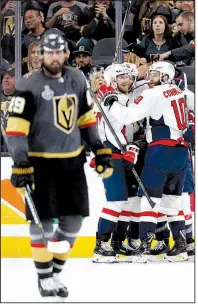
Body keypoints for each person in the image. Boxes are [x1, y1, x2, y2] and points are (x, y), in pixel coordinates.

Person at [5, 30, 113, 300]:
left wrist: (98, 149)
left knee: (73, 225)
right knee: (42, 224)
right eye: (48, 52)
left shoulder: (77, 78)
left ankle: (54, 271)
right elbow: (16, 129)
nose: (54, 57)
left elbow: (86, 118)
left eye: (58, 52)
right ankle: (45, 278)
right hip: (40, 165)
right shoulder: (28, 84)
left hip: (72, 163)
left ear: (66, 53)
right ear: (41, 55)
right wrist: (20, 162)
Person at [103, 61, 194, 262]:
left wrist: (112, 102)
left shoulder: (153, 93)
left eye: (154, 74)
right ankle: (180, 246)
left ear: (165, 76)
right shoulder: (180, 92)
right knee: (171, 201)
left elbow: (128, 116)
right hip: (180, 153)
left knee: (148, 200)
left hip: (160, 151)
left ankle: (144, 245)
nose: (149, 77)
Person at [92, 63, 149, 263]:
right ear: (113, 80)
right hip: (112, 154)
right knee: (115, 201)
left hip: (119, 153)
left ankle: (116, 242)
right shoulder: (113, 100)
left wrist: (131, 146)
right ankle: (101, 246)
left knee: (127, 201)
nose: (126, 80)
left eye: (129, 77)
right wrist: (126, 147)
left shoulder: (116, 98)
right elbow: (108, 131)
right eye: (121, 77)